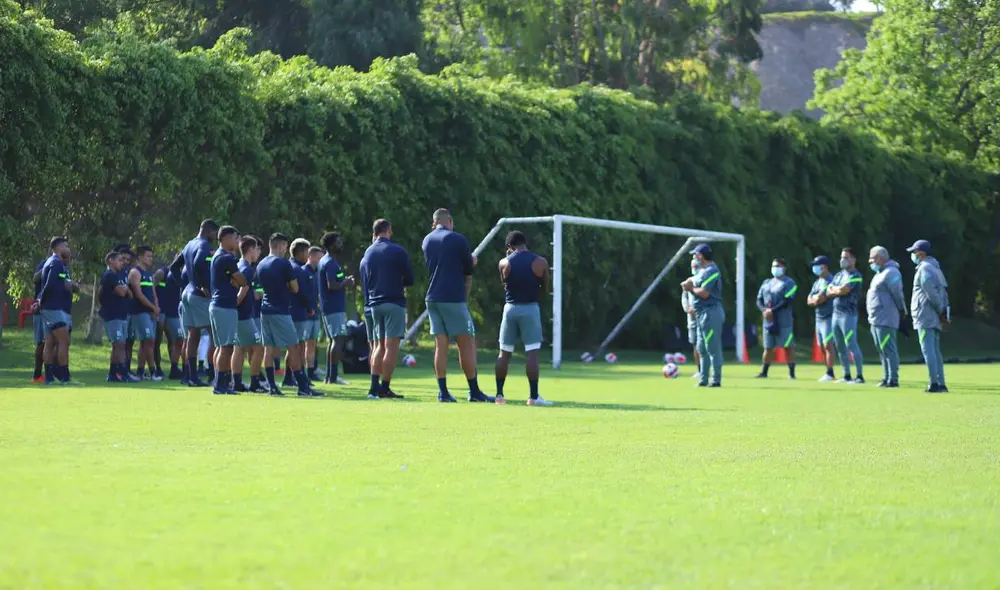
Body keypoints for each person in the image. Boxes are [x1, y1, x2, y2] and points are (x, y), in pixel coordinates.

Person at [421, 209, 492, 403]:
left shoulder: (426, 240)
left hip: (433, 298)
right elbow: (467, 269)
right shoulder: (457, 239)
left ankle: (443, 392)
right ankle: (474, 391)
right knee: (466, 343)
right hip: (453, 297)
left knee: (440, 345)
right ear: (450, 221)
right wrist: (472, 261)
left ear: (434, 222)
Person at [494, 231, 551, 406]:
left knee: (504, 353)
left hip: (510, 309)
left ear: (509, 247)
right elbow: (545, 287)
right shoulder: (540, 262)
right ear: (525, 243)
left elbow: (505, 284)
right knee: (532, 352)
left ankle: (499, 395)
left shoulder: (504, 263)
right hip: (530, 308)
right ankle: (533, 397)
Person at [257, 233, 317, 397]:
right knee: (294, 347)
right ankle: (303, 386)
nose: (285, 250)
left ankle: (272, 386)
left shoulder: (261, 264)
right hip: (281, 310)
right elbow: (295, 288)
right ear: (281, 245)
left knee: (268, 349)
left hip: (265, 310)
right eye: (285, 246)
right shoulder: (284, 264)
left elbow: (261, 289)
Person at [360, 219, 413, 400]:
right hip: (394, 302)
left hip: (375, 303)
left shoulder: (368, 252)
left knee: (377, 346)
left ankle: (373, 388)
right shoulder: (398, 251)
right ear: (388, 230)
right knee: (391, 347)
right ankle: (384, 387)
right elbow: (409, 278)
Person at [170, 219, 219, 387]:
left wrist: (185, 285)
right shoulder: (205, 245)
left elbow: (174, 267)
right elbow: (199, 263)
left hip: (188, 294)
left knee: (193, 335)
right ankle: (214, 375)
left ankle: (191, 376)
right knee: (214, 333)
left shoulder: (189, 244)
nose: (216, 237)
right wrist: (203, 285)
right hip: (199, 295)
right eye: (215, 233)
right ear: (208, 230)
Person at [907, 239, 950, 392]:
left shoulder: (924, 269)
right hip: (934, 316)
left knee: (928, 350)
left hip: (925, 315)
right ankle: (941, 382)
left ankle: (934, 383)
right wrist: (944, 312)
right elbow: (944, 292)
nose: (912, 254)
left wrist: (940, 310)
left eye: (914, 251)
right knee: (935, 350)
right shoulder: (936, 268)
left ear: (921, 252)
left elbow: (930, 292)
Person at [208, 226, 246, 395]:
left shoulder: (219, 256)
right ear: (225, 238)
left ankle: (219, 382)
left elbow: (237, 280)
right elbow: (243, 281)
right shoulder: (226, 258)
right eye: (235, 237)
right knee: (226, 346)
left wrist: (235, 280)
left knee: (221, 346)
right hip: (224, 306)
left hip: (218, 305)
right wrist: (236, 279)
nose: (237, 241)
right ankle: (220, 385)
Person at [38, 237, 81, 385]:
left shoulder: (61, 264)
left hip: (57, 308)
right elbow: (49, 285)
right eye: (66, 246)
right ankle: (64, 377)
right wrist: (40, 302)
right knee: (64, 341)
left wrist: (71, 285)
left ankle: (49, 378)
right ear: (57, 247)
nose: (68, 249)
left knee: (50, 342)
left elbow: (59, 284)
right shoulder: (55, 263)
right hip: (53, 308)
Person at [681, 243, 724, 387]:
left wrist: (691, 288)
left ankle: (716, 379)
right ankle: (703, 379)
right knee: (701, 347)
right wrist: (688, 283)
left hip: (711, 313)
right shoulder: (701, 271)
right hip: (700, 314)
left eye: (696, 254)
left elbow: (705, 293)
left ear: (702, 255)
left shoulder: (712, 271)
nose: (694, 257)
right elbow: (692, 281)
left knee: (712, 347)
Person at [867, 246, 907, 388]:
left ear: (880, 258)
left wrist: (902, 310)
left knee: (889, 349)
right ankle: (886, 377)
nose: (870, 261)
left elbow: (898, 294)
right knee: (881, 349)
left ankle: (893, 378)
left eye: (872, 258)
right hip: (876, 318)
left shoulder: (891, 272)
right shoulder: (879, 273)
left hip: (886, 317)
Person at [318, 232, 355, 386]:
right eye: (338, 242)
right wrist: (346, 282)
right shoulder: (330, 263)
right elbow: (331, 285)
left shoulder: (328, 261)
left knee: (333, 340)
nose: (341, 244)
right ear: (331, 245)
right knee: (338, 339)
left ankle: (329, 376)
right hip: (334, 308)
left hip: (331, 307)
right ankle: (332, 377)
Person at [825, 247, 865, 384]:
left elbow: (844, 290)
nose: (843, 260)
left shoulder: (856, 276)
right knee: (840, 346)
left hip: (848, 315)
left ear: (853, 259)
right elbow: (828, 290)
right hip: (836, 314)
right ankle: (846, 374)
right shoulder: (839, 275)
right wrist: (836, 290)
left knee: (851, 344)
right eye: (842, 257)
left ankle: (859, 376)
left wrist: (835, 290)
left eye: (846, 257)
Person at [755, 258, 798, 379]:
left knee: (787, 346)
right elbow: (759, 299)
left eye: (778, 266)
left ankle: (792, 373)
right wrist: (764, 310)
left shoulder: (789, 283)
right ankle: (764, 372)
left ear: (784, 268)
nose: (775, 268)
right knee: (768, 347)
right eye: (774, 266)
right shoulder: (766, 283)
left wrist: (772, 310)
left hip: (784, 320)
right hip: (768, 320)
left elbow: (787, 300)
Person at [233, 236, 266, 393]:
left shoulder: (239, 265)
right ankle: (254, 383)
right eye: (257, 249)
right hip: (244, 316)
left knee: (240, 349)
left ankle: (237, 382)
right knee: (259, 348)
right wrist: (235, 306)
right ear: (251, 249)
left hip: (241, 316)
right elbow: (242, 292)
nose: (258, 253)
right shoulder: (247, 268)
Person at [285, 239, 319, 388]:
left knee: (294, 346)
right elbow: (302, 292)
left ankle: (289, 376)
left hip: (292, 310)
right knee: (298, 347)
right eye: (307, 251)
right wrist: (310, 307)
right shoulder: (298, 269)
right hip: (298, 311)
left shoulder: (290, 266)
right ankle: (297, 377)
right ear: (301, 252)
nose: (308, 255)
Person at [98, 251, 132, 382]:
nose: (122, 263)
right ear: (111, 261)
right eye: (119, 260)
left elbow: (129, 293)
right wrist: (125, 288)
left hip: (121, 315)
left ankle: (113, 373)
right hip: (113, 316)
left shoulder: (118, 276)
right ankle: (122, 373)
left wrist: (125, 288)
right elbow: (123, 292)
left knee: (119, 345)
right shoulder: (109, 275)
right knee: (118, 343)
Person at [128, 245, 161, 380]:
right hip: (140, 312)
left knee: (146, 342)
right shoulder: (135, 272)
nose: (150, 259)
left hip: (151, 312)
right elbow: (139, 295)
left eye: (151, 257)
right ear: (140, 257)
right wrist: (152, 308)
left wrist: (156, 308)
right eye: (148, 256)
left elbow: (153, 293)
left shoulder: (148, 274)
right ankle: (153, 371)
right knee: (149, 340)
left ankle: (140, 371)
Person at [806, 255, 837, 382]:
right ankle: (828, 372)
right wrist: (815, 300)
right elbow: (809, 300)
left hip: (829, 317)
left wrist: (816, 299)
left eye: (816, 265)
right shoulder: (817, 282)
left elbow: (822, 298)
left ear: (824, 267)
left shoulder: (831, 280)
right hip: (818, 317)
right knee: (822, 347)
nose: (814, 268)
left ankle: (830, 373)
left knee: (828, 345)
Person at [153, 262, 185, 380]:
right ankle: (157, 368)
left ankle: (174, 368)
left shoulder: (184, 273)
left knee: (177, 339)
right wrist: (154, 303)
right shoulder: (164, 272)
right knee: (157, 340)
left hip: (173, 311)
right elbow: (153, 282)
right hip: (161, 310)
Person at [682, 259, 702, 380]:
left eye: (696, 266)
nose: (694, 268)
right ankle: (699, 370)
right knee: (695, 345)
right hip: (692, 320)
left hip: (704, 317)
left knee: (705, 345)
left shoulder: (703, 280)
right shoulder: (688, 281)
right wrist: (687, 308)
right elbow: (684, 297)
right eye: (692, 266)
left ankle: (708, 369)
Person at [30, 256, 47, 383]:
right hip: (41, 310)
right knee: (41, 343)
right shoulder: (44, 264)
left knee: (53, 343)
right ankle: (37, 375)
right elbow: (35, 278)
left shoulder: (63, 267)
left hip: (56, 310)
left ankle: (51, 374)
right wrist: (47, 268)